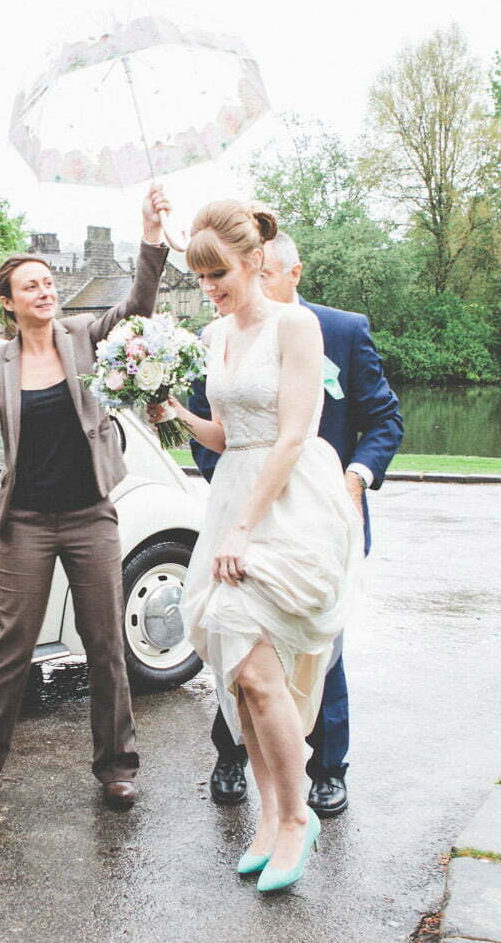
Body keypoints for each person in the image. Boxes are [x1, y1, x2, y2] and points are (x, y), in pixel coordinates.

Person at [0, 184, 171, 815]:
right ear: (8, 303)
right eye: (30, 286)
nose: (44, 291)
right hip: (27, 523)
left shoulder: (84, 336)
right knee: (12, 649)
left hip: (91, 516)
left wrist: (150, 236)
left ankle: (117, 767)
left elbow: (139, 307)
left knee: (105, 645)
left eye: (47, 282)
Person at [148, 200, 363, 893]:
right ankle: (269, 817)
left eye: (218, 274)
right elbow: (226, 434)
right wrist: (175, 414)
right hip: (233, 492)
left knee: (262, 671)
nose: (208, 287)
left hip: (287, 501)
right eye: (200, 276)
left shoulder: (294, 325)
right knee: (236, 673)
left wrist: (244, 526)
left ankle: (298, 818)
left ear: (253, 261)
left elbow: (293, 434)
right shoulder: (214, 335)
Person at [187, 232, 403, 817]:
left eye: (262, 276)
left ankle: (327, 771)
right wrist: (235, 482)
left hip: (315, 512)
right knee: (236, 635)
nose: (228, 289)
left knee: (317, 646)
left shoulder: (339, 330)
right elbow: (214, 423)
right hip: (244, 505)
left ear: (288, 272)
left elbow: (384, 419)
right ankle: (232, 757)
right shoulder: (218, 333)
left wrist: (354, 480)